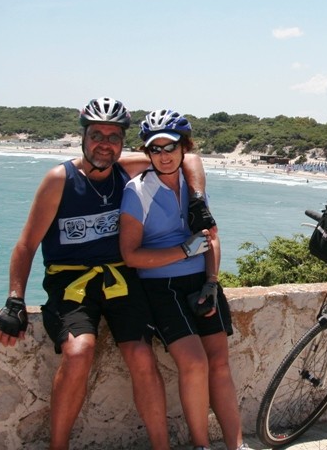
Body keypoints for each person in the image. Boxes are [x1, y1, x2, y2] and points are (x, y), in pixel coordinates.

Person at [0, 97, 213, 450]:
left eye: (113, 136)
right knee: (79, 351)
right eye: (97, 135)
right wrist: (15, 299)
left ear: (122, 142)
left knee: (141, 355)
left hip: (120, 279)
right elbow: (26, 244)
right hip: (71, 281)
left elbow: (192, 159)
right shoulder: (59, 180)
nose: (104, 144)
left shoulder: (126, 168)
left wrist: (197, 198)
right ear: (83, 136)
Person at [119, 109, 248, 450]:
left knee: (220, 364)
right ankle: (201, 445)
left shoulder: (192, 186)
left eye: (170, 147)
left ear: (183, 148)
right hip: (162, 288)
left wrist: (211, 279)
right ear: (147, 153)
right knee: (194, 363)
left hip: (202, 281)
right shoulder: (138, 191)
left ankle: (237, 444)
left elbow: (212, 236)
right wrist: (183, 251)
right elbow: (130, 254)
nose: (163, 155)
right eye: (155, 149)